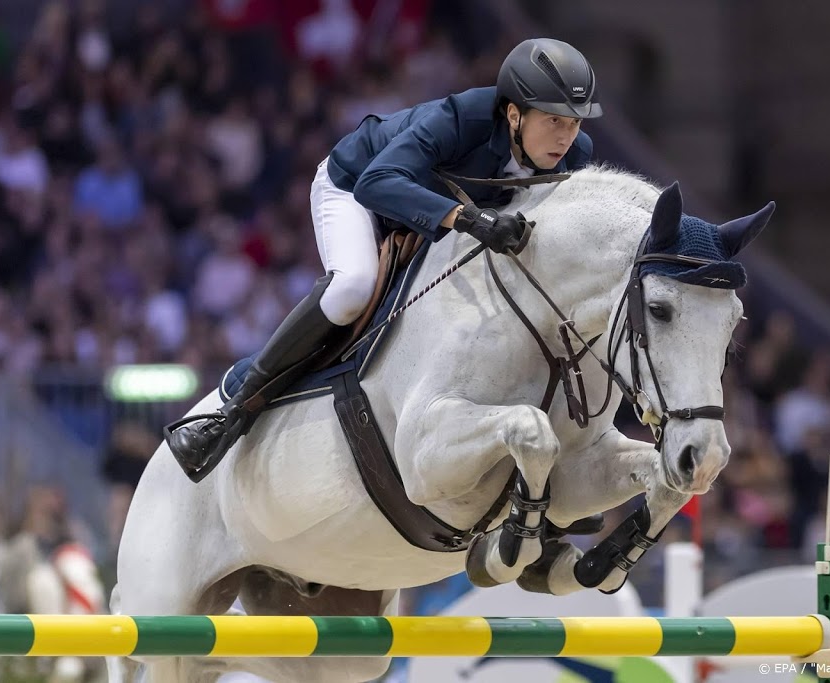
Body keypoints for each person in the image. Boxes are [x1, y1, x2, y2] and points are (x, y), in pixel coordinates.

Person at [165, 38, 603, 481]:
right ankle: (232, 413)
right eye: (553, 121)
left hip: (432, 220)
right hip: (356, 188)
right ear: (514, 114)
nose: (566, 137)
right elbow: (376, 183)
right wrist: (468, 219)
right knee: (352, 289)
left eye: (573, 123)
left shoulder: (574, 156)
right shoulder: (460, 118)